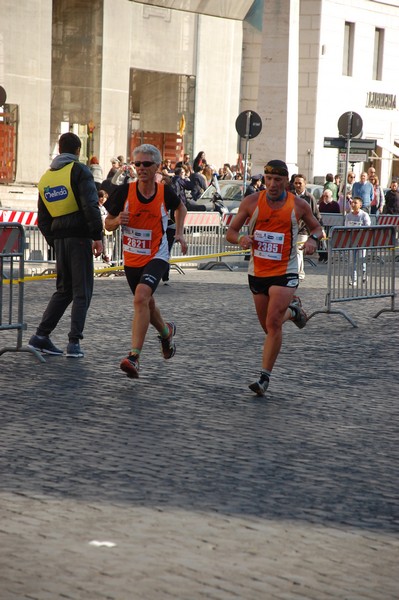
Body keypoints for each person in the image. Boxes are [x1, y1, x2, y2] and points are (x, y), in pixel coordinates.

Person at [226, 159, 323, 397]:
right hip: (258, 271)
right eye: (269, 179)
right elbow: (231, 232)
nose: (272, 185)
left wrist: (313, 240)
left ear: (286, 182)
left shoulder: (298, 205)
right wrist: (240, 239)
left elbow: (317, 228)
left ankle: (263, 377)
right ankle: (294, 312)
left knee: (272, 322)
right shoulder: (251, 202)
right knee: (269, 326)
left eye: (278, 180)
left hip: (285, 271)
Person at [104, 143, 188, 379]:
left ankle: (134, 356)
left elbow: (181, 208)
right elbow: (107, 224)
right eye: (137, 164)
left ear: (157, 167)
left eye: (146, 164)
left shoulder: (164, 192)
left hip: (157, 255)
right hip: (132, 257)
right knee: (146, 304)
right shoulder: (124, 192)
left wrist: (179, 232)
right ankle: (165, 332)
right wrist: (118, 219)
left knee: (141, 297)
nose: (141, 168)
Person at [28, 132, 103, 357]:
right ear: (78, 151)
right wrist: (97, 235)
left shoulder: (46, 178)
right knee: (82, 292)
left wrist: (55, 240)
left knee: (64, 290)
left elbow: (42, 219)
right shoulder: (79, 170)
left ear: (59, 150)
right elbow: (91, 205)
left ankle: (40, 336)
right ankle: (74, 343)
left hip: (60, 239)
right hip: (80, 238)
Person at [293, 173, 323, 280]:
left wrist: (319, 228)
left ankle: (299, 273)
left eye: (300, 183)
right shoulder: (290, 196)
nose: (297, 185)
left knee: (298, 250)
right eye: (295, 183)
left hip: (303, 230)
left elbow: (316, 214)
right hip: (291, 228)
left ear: (305, 184)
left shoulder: (310, 198)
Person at [345, 197, 371, 286]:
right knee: (352, 261)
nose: (353, 204)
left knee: (361, 260)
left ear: (360, 205)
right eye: (352, 203)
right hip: (352, 242)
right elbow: (346, 228)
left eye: (355, 203)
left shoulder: (364, 215)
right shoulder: (348, 216)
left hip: (361, 241)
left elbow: (368, 227)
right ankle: (354, 279)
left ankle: (364, 273)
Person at [317, 189, 340, 262]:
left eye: (327, 196)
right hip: (323, 225)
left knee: (329, 241)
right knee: (321, 241)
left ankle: (328, 256)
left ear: (331, 196)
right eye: (324, 196)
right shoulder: (322, 204)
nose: (325, 197)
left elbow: (337, 215)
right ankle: (322, 255)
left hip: (331, 226)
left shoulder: (335, 204)